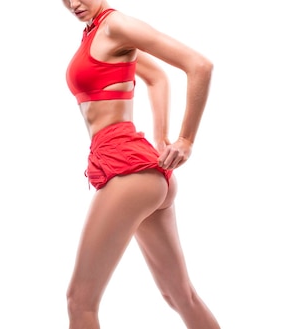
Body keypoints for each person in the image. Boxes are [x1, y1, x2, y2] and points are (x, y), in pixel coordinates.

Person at [62, 1, 220, 328]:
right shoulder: (96, 34)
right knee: (179, 295)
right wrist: (161, 139)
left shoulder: (115, 25)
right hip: (141, 170)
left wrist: (185, 141)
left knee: (80, 301)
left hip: (128, 171)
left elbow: (199, 65)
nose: (73, 3)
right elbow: (156, 77)